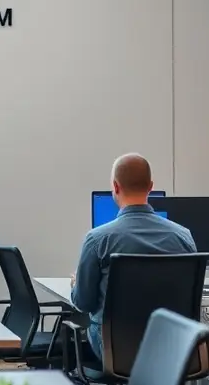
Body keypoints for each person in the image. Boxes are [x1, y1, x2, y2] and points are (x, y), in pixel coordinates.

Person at [71, 153, 196, 361]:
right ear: (150, 186)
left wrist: (76, 284)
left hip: (115, 348)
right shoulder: (183, 236)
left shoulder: (97, 239)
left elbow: (83, 303)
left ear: (116, 187)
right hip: (172, 345)